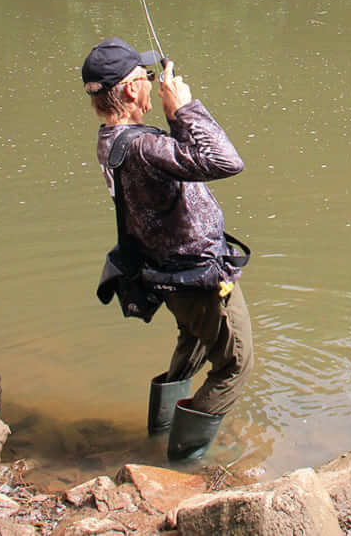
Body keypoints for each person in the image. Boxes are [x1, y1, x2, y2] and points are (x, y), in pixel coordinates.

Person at [83, 37, 252, 460]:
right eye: (148, 78)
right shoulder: (143, 146)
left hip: (167, 274)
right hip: (198, 275)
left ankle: (158, 437)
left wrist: (175, 120)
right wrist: (185, 109)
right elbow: (226, 161)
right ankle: (182, 461)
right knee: (235, 364)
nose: (155, 83)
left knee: (193, 347)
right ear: (129, 90)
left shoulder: (114, 139)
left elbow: (180, 162)